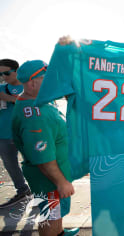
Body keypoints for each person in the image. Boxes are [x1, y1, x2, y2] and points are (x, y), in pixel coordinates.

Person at [11, 60, 79, 236]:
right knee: (49, 217)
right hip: (49, 179)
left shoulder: (37, 100)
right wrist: (61, 182)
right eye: (47, 77)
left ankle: (60, 232)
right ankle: (54, 232)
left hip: (53, 176)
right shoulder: (36, 115)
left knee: (55, 214)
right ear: (32, 82)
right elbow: (43, 158)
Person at [0, 59, 31, 208]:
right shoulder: (0, 88)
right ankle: (22, 190)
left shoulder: (29, 87)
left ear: (17, 71)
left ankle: (41, 193)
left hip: (27, 134)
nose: (4, 76)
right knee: (10, 165)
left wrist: (11, 99)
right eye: (0, 74)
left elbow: (35, 103)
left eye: (6, 73)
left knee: (33, 164)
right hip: (4, 134)